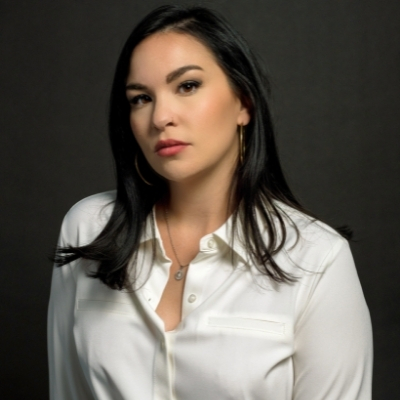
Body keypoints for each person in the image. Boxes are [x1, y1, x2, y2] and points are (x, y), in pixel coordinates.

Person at [48, 5, 373, 400]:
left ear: (244, 103)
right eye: (140, 98)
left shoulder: (317, 259)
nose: (160, 117)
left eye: (187, 86)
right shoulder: (89, 229)